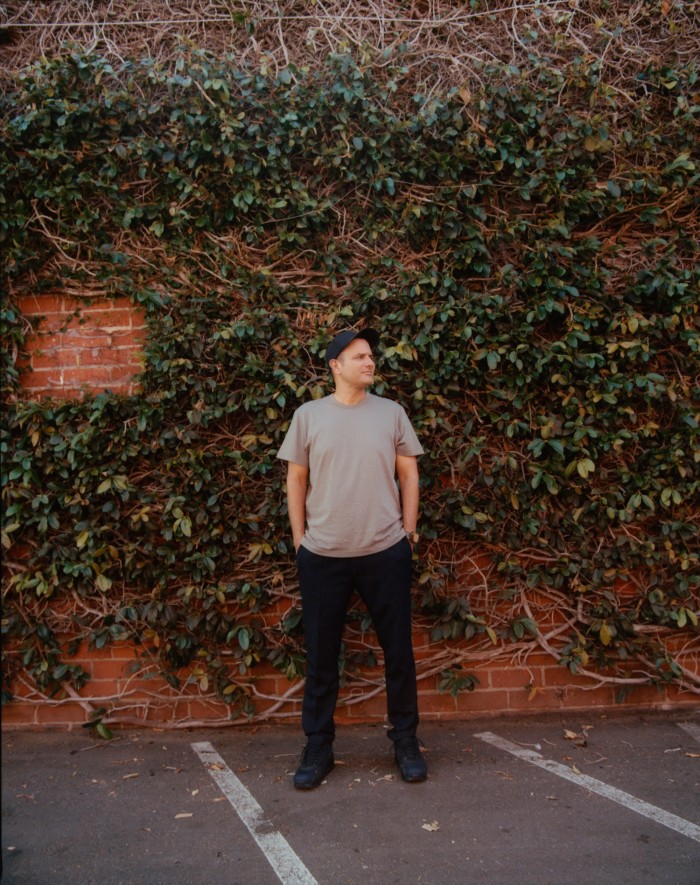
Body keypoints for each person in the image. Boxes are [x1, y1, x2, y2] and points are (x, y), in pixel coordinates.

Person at [276, 327, 427, 789]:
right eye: (359, 356)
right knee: (321, 658)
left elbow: (409, 473)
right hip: (322, 557)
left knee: (398, 652)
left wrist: (408, 533)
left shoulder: (392, 413)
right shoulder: (308, 416)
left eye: (371, 356)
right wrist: (300, 541)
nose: (369, 362)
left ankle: (406, 742)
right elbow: (296, 480)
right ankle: (318, 747)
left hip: (385, 552)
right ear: (335, 366)